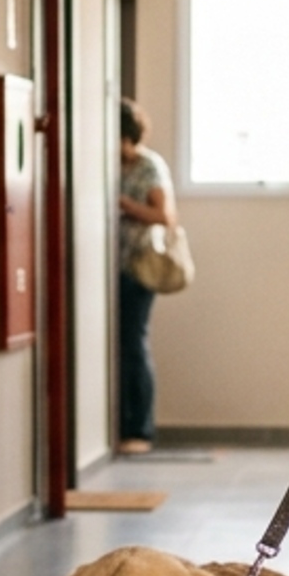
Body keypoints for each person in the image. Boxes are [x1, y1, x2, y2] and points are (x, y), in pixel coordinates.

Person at [114, 98, 173, 456]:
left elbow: (164, 216)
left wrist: (123, 205)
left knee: (133, 343)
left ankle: (140, 427)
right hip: (114, 267)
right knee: (121, 346)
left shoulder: (148, 166)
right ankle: (122, 424)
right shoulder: (113, 166)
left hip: (139, 268)